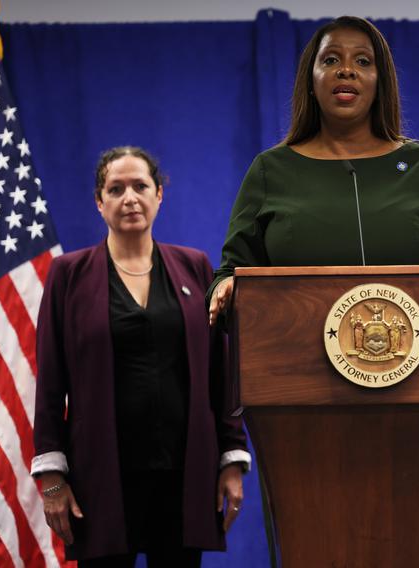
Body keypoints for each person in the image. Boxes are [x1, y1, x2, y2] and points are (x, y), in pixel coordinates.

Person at [32, 147, 251, 566]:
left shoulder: (196, 267)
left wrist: (231, 459)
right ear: (100, 202)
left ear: (159, 195)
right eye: (116, 189)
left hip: (184, 474)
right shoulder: (68, 276)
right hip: (100, 478)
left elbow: (222, 373)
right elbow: (50, 383)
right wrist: (52, 479)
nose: (129, 198)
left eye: (140, 186)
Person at [207, 16, 419, 321]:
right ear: (311, 80)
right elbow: (231, 272)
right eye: (331, 59)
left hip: (415, 360)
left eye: (363, 61)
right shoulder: (270, 170)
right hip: (294, 359)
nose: (346, 70)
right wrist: (228, 286)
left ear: (381, 82)